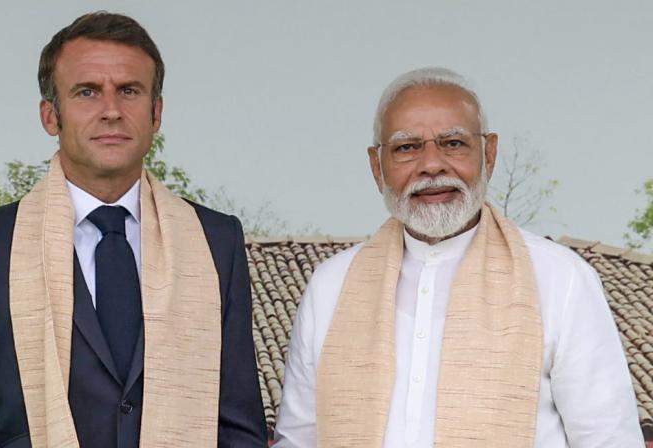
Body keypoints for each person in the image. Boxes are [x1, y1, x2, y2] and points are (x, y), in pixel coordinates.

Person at [0, 12, 266, 448]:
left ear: (156, 113)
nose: (112, 110)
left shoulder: (216, 242)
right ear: (50, 116)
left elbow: (239, 429)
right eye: (87, 92)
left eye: (129, 91)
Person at [273, 67, 643, 447]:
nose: (432, 165)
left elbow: (609, 438)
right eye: (406, 147)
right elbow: (298, 439)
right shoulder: (331, 286)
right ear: (375, 166)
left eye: (452, 143)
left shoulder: (559, 279)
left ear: (490, 153)